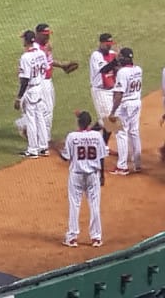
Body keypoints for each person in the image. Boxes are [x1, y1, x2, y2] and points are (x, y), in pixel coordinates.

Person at [60, 111, 106, 248]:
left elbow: (66, 157)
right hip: (93, 175)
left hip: (76, 175)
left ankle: (72, 237)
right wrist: (102, 175)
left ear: (79, 122)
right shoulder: (97, 136)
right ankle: (96, 238)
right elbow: (102, 156)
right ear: (90, 123)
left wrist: (58, 151)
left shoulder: (72, 136)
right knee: (94, 204)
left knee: (75, 204)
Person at [36, 23, 79, 149]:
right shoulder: (36, 49)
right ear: (37, 34)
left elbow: (49, 61)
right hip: (41, 82)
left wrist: (62, 65)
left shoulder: (46, 46)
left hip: (47, 82)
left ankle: (29, 128)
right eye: (44, 35)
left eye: (48, 34)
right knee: (46, 111)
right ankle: (44, 139)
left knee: (46, 109)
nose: (47, 37)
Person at [15, 29, 50, 158]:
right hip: (40, 87)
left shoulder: (25, 57)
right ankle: (43, 147)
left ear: (26, 40)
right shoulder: (41, 53)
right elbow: (46, 69)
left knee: (31, 120)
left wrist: (19, 98)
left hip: (31, 90)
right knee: (40, 118)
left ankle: (32, 150)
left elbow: (24, 80)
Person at [109, 47, 143, 175]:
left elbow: (119, 94)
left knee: (121, 133)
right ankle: (137, 164)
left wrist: (112, 111)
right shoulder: (138, 69)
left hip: (125, 105)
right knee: (134, 132)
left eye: (120, 57)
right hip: (136, 103)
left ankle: (122, 166)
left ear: (123, 58)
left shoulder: (122, 72)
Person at [89, 33, 118, 147]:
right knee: (110, 121)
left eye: (110, 44)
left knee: (106, 120)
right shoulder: (96, 56)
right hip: (100, 91)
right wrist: (116, 61)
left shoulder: (112, 54)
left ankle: (87, 135)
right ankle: (103, 145)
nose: (109, 46)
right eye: (107, 44)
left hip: (112, 90)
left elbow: (117, 69)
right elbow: (104, 70)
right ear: (101, 43)